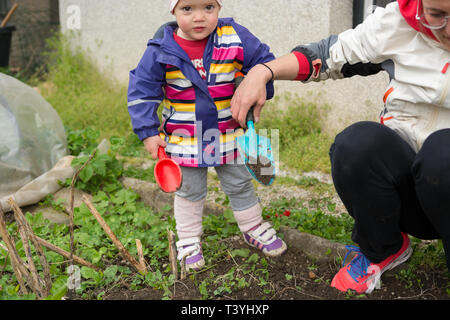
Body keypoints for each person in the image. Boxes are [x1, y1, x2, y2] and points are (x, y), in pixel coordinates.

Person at [230, 0, 450, 294]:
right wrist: (263, 72)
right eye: (437, 16)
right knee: (356, 146)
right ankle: (382, 248)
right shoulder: (396, 24)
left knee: (442, 153)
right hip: (409, 192)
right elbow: (325, 56)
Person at [127, 0, 287, 272]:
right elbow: (142, 91)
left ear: (219, 8)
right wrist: (148, 132)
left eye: (208, 7)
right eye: (187, 9)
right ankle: (189, 240)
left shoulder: (235, 37)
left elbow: (264, 64)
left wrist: (257, 85)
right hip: (184, 139)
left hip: (229, 133)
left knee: (240, 183)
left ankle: (252, 227)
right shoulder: (161, 50)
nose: (199, 17)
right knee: (189, 191)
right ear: (173, 11)